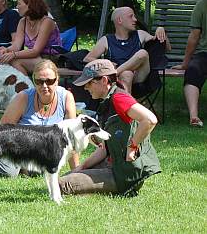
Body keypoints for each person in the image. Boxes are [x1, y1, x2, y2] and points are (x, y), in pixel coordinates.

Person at [58, 59, 161, 196]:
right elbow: (105, 149)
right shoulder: (108, 101)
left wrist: (133, 146)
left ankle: (121, 188)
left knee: (61, 185)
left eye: (89, 83)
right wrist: (82, 167)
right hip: (113, 165)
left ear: (104, 80)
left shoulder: (119, 98)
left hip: (123, 173)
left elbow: (150, 119)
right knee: (67, 177)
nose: (85, 88)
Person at [0, 59, 78, 177]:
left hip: (44, 152)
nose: (44, 86)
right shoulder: (23, 98)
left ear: (57, 80)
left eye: (49, 81)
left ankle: (25, 168)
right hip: (16, 148)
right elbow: (1, 130)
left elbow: (71, 138)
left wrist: (75, 172)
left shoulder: (66, 98)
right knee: (7, 172)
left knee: (42, 170)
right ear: (33, 81)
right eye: (39, 81)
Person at [83, 6, 170, 94]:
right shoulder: (106, 40)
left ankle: (114, 73)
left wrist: (161, 30)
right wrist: (106, 63)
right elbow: (87, 58)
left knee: (143, 53)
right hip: (119, 80)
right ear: (120, 20)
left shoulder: (140, 34)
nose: (135, 20)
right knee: (127, 74)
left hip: (140, 76)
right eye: (131, 16)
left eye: (134, 16)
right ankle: (126, 105)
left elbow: (165, 48)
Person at [0, 0, 62, 75]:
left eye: (19, 4)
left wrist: (13, 54)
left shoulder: (47, 22)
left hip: (51, 58)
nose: (17, 7)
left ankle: (29, 87)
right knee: (10, 60)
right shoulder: (22, 22)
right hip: (35, 57)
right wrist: (7, 50)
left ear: (30, 5)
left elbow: (36, 50)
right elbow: (17, 45)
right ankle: (28, 86)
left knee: (15, 61)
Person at [171, 0, 207, 127]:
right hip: (205, 53)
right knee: (193, 70)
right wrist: (186, 63)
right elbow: (194, 36)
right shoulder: (201, 6)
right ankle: (194, 116)